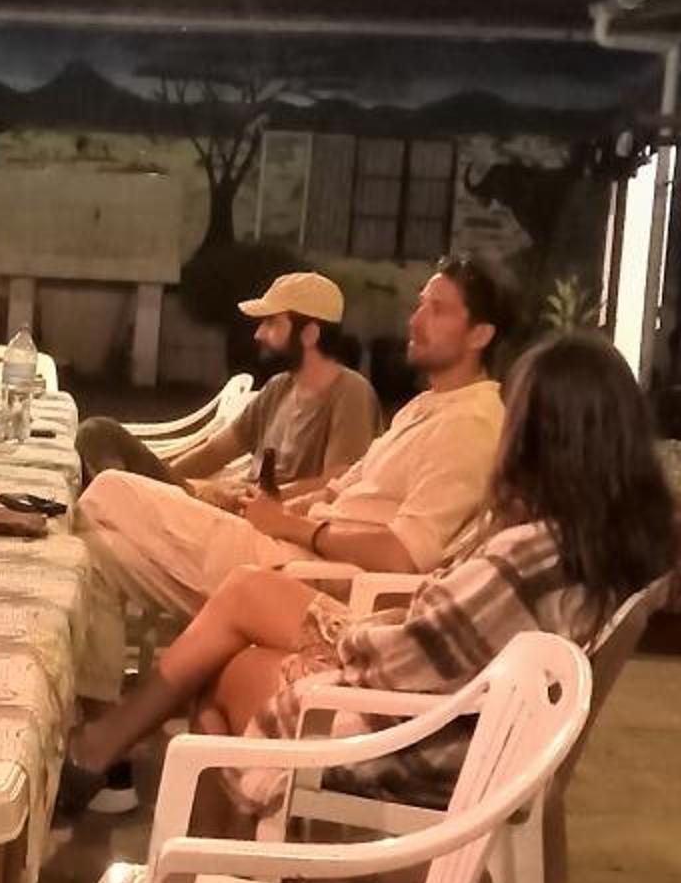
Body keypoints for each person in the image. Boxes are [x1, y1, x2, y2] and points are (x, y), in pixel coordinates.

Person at [58, 329, 674, 816]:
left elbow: (406, 656)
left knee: (223, 666)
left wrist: (339, 633)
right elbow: (442, 634)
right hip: (447, 704)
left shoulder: (524, 556)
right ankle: (110, 758)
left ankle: (210, 882)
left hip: (420, 738)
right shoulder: (592, 542)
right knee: (240, 594)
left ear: (545, 440)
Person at [78, 254, 514, 637]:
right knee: (89, 554)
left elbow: (404, 556)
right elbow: (339, 488)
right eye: (419, 305)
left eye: (437, 310)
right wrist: (271, 510)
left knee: (110, 488)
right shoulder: (424, 407)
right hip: (283, 540)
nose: (414, 321)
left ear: (480, 335)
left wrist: (288, 524)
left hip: (303, 575)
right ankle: (89, 700)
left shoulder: (470, 425)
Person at [75, 269, 380, 497]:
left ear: (310, 334)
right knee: (97, 434)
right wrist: (165, 482)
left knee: (99, 437)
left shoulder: (350, 393)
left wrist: (258, 499)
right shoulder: (279, 387)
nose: (259, 334)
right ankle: (125, 500)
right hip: (223, 503)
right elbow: (216, 451)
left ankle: (122, 502)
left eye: (272, 323)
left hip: (255, 521)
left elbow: (337, 482)